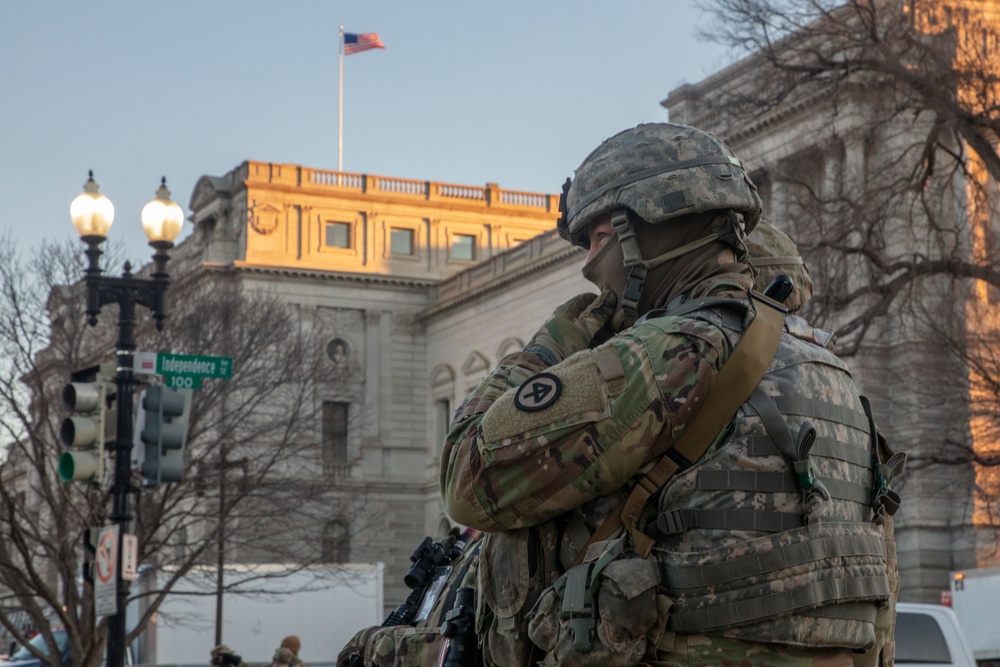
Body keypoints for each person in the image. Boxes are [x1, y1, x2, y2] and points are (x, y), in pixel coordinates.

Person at [440, 123, 903, 666]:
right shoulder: (830, 371)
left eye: (597, 236)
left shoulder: (665, 354)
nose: (589, 265)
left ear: (649, 225)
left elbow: (465, 479)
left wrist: (552, 346)